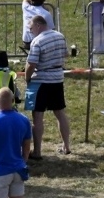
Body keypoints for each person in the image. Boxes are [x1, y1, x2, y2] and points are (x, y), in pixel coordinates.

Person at [24, 15, 71, 158]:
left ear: (38, 25)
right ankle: (67, 146)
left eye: (31, 29)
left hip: (41, 81)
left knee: (37, 116)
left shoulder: (37, 41)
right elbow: (66, 54)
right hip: (57, 78)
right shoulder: (60, 36)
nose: (31, 32)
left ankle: (37, 151)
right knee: (60, 113)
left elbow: (31, 64)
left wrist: (27, 78)